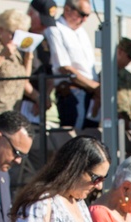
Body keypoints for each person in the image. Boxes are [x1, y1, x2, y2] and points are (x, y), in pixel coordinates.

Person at [45, 0, 100, 130]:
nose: (85, 19)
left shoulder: (82, 32)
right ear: (67, 9)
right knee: (74, 140)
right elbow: (64, 67)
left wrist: (96, 89)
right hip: (73, 91)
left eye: (88, 15)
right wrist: (94, 86)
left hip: (90, 94)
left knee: (90, 139)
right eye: (82, 14)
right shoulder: (55, 29)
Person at [115, 38, 131, 125]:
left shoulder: (128, 75)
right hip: (116, 121)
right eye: (129, 57)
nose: (130, 61)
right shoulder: (107, 75)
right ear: (120, 52)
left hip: (130, 120)